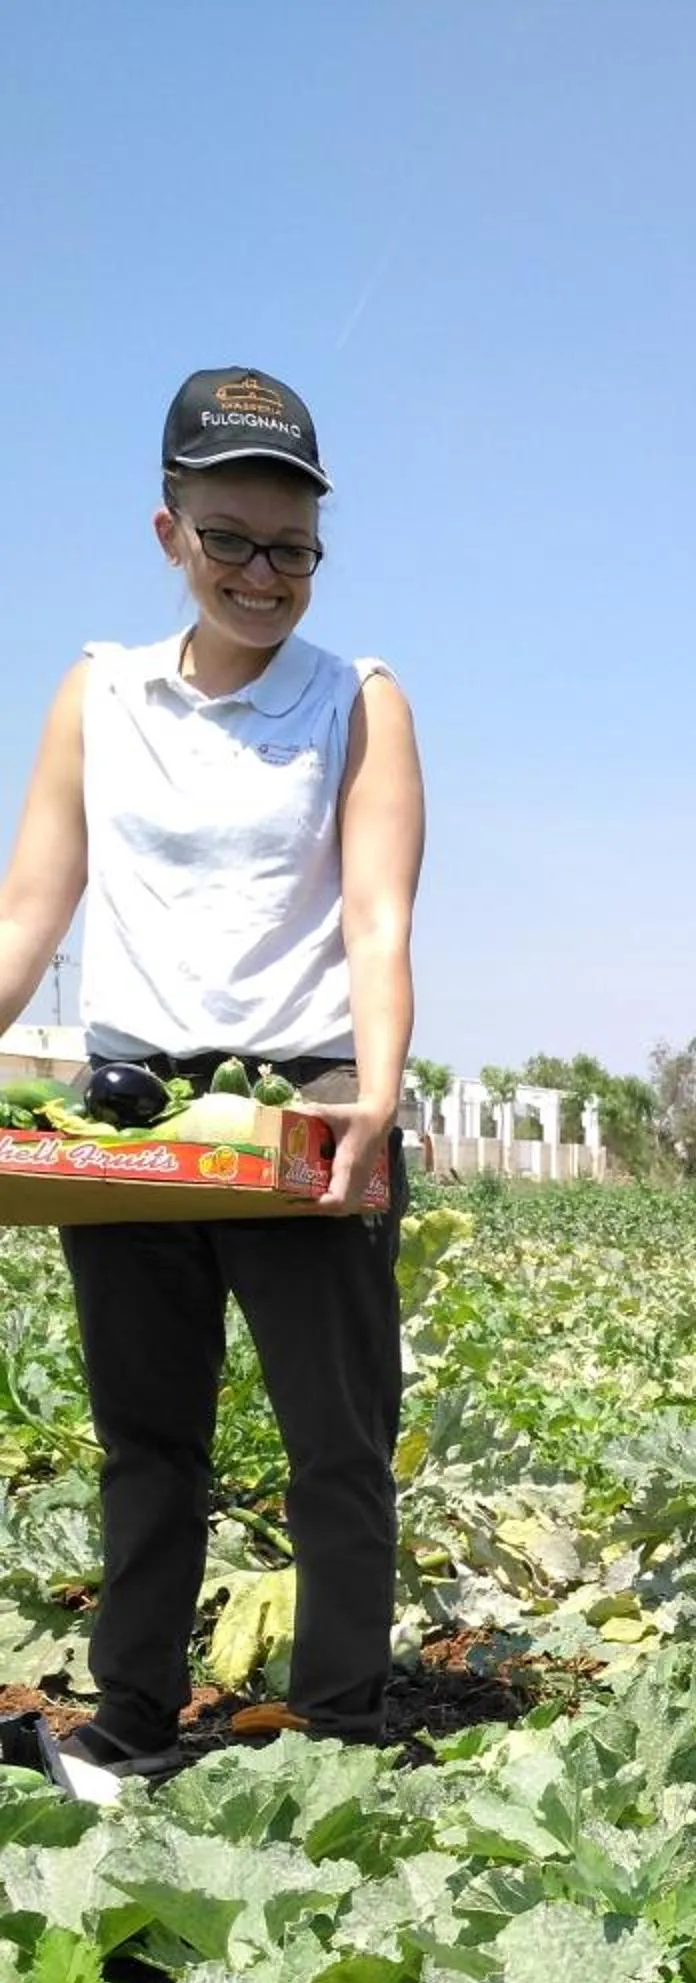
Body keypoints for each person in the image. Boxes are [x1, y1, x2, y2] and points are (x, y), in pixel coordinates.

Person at [0, 367, 425, 1773]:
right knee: (147, 1436)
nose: (262, 575)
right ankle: (129, 1717)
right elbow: (30, 911)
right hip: (134, 1114)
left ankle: (340, 1730)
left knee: (337, 1441)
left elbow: (376, 918)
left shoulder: (356, 700)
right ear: (169, 531)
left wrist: (375, 1094)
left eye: (293, 549)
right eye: (230, 540)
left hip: (303, 1109)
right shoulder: (99, 692)